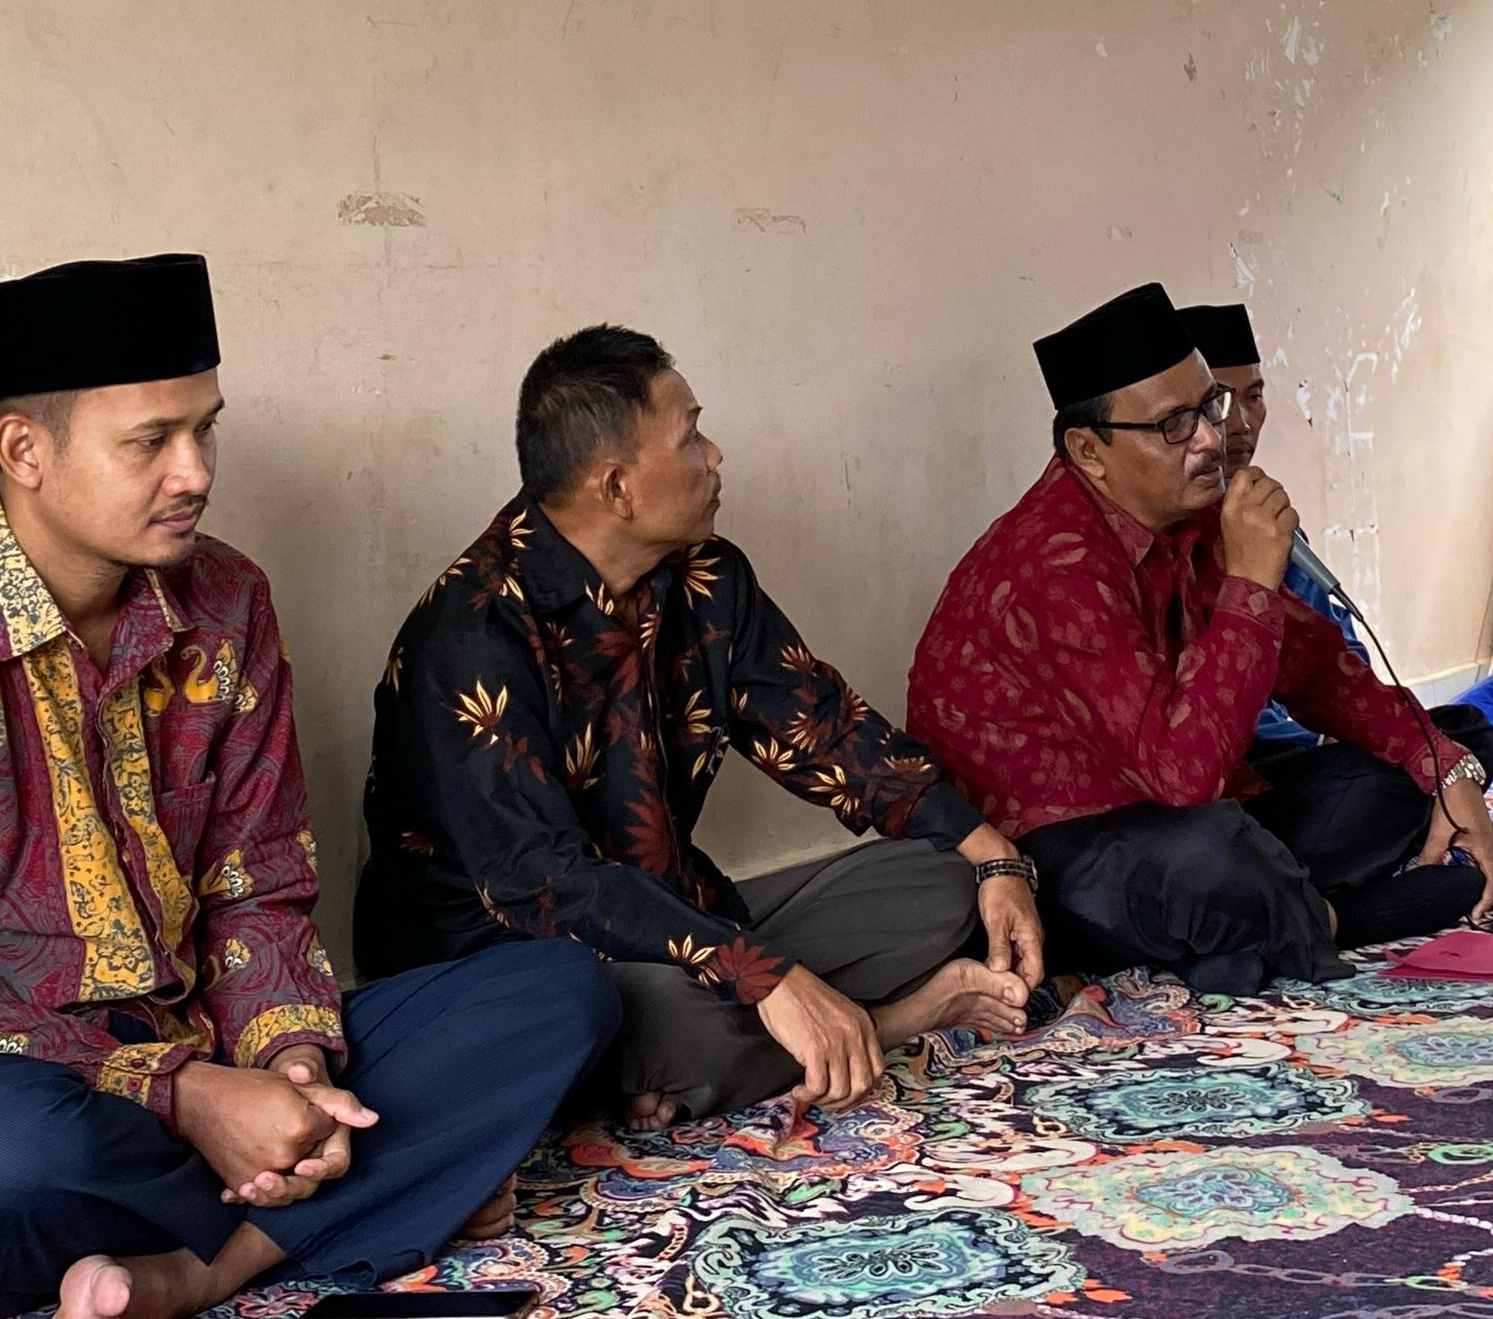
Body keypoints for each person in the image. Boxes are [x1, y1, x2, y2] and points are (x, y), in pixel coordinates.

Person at [0, 255, 616, 1319]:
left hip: (191, 1053)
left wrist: (292, 1071)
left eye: (205, 430)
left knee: (555, 993)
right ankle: (347, 1195)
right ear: (25, 450)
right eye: (150, 441)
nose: (193, 471)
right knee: (4, 1152)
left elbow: (260, 888)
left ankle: (200, 1268)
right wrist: (186, 1095)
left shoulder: (228, 602)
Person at [355, 325, 1040, 1133]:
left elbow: (823, 729)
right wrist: (764, 974)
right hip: (515, 966)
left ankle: (755, 1044)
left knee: (944, 882)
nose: (714, 455)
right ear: (617, 487)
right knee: (659, 1019)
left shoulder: (709, 577)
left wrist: (993, 856)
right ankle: (889, 1021)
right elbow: (545, 884)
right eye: (690, 437)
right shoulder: (472, 629)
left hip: (678, 920)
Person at [908, 283, 1493, 999]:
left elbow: (1316, 669)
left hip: (1197, 806)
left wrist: (1443, 768)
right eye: (1173, 425)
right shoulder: (1053, 563)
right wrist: (1252, 582)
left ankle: (1258, 920)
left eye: (1210, 407)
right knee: (1208, 852)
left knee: (1452, 736)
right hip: (1063, 851)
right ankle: (1326, 918)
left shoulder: (1194, 514)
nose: (1209, 439)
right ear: (1089, 450)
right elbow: (1182, 779)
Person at [1175, 302, 1376, 762]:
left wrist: (1351, 726)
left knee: (1461, 733)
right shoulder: (1167, 535)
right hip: (1232, 758)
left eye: (1254, 397)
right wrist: (1313, 744)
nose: (1241, 425)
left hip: (1312, 743)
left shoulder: (1268, 516)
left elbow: (1338, 648)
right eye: (1219, 403)